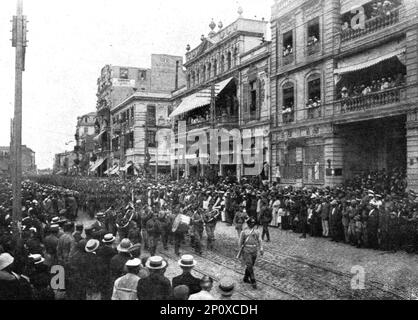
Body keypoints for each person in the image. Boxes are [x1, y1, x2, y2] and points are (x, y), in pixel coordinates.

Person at [238, 217, 263, 289]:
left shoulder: (257, 231)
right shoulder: (244, 232)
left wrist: (261, 248)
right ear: (248, 223)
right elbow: (240, 242)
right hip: (246, 250)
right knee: (250, 265)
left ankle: (245, 278)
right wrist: (241, 252)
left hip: (254, 250)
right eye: (251, 223)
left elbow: (260, 240)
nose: (252, 224)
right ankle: (253, 280)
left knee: (251, 265)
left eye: (253, 223)